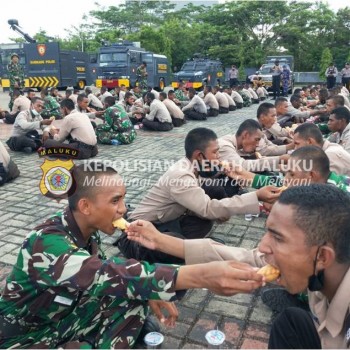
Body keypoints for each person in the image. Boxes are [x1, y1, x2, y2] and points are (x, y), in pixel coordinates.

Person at [0, 161, 265, 349]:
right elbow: (109, 273)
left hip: (62, 317)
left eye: (123, 199)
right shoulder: (46, 243)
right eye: (115, 201)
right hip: (26, 337)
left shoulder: (84, 229)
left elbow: (110, 271)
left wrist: (148, 291)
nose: (124, 209)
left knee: (137, 296)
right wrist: (202, 275)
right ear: (86, 206)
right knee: (133, 289)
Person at [116, 128, 280, 264]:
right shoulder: (181, 176)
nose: (218, 158)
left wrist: (233, 176)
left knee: (205, 213)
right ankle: (184, 252)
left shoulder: (194, 166)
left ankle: (186, 248)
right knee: (174, 242)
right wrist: (256, 196)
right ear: (199, 155)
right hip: (136, 234)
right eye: (215, 153)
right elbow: (208, 208)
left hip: (163, 223)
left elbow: (206, 204)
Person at [218, 119, 284, 172]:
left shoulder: (237, 144)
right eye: (256, 139)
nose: (258, 144)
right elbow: (243, 166)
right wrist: (280, 159)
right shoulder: (225, 146)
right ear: (245, 135)